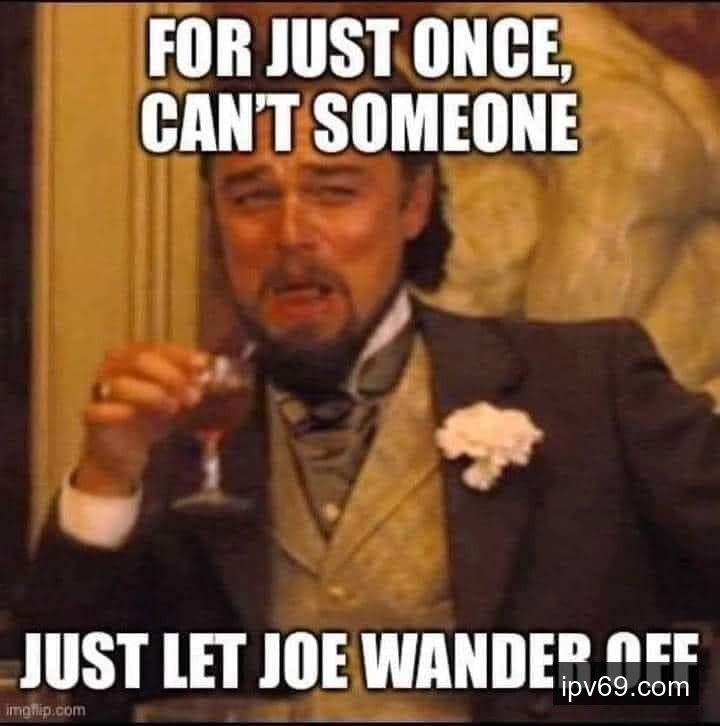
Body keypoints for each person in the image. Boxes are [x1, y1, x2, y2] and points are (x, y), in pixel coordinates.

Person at [18, 63, 720, 723]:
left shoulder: (588, 386)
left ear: (413, 204)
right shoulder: (176, 444)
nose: (292, 235)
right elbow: (50, 705)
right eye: (252, 196)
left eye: (334, 189)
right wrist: (105, 480)